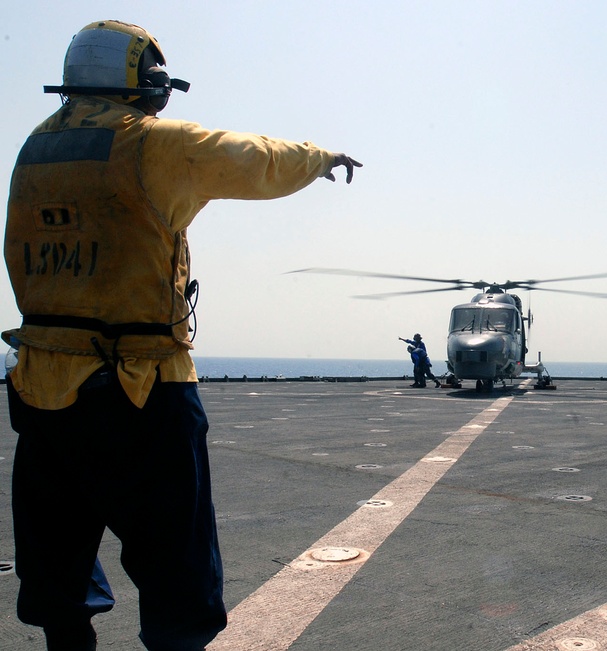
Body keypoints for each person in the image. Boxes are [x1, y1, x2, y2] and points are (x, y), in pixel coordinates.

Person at [2, 20, 361, 651]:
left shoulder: (34, 148)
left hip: (42, 389)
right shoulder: (153, 144)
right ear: (142, 86)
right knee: (177, 557)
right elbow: (252, 157)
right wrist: (320, 157)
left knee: (54, 548)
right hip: (143, 386)